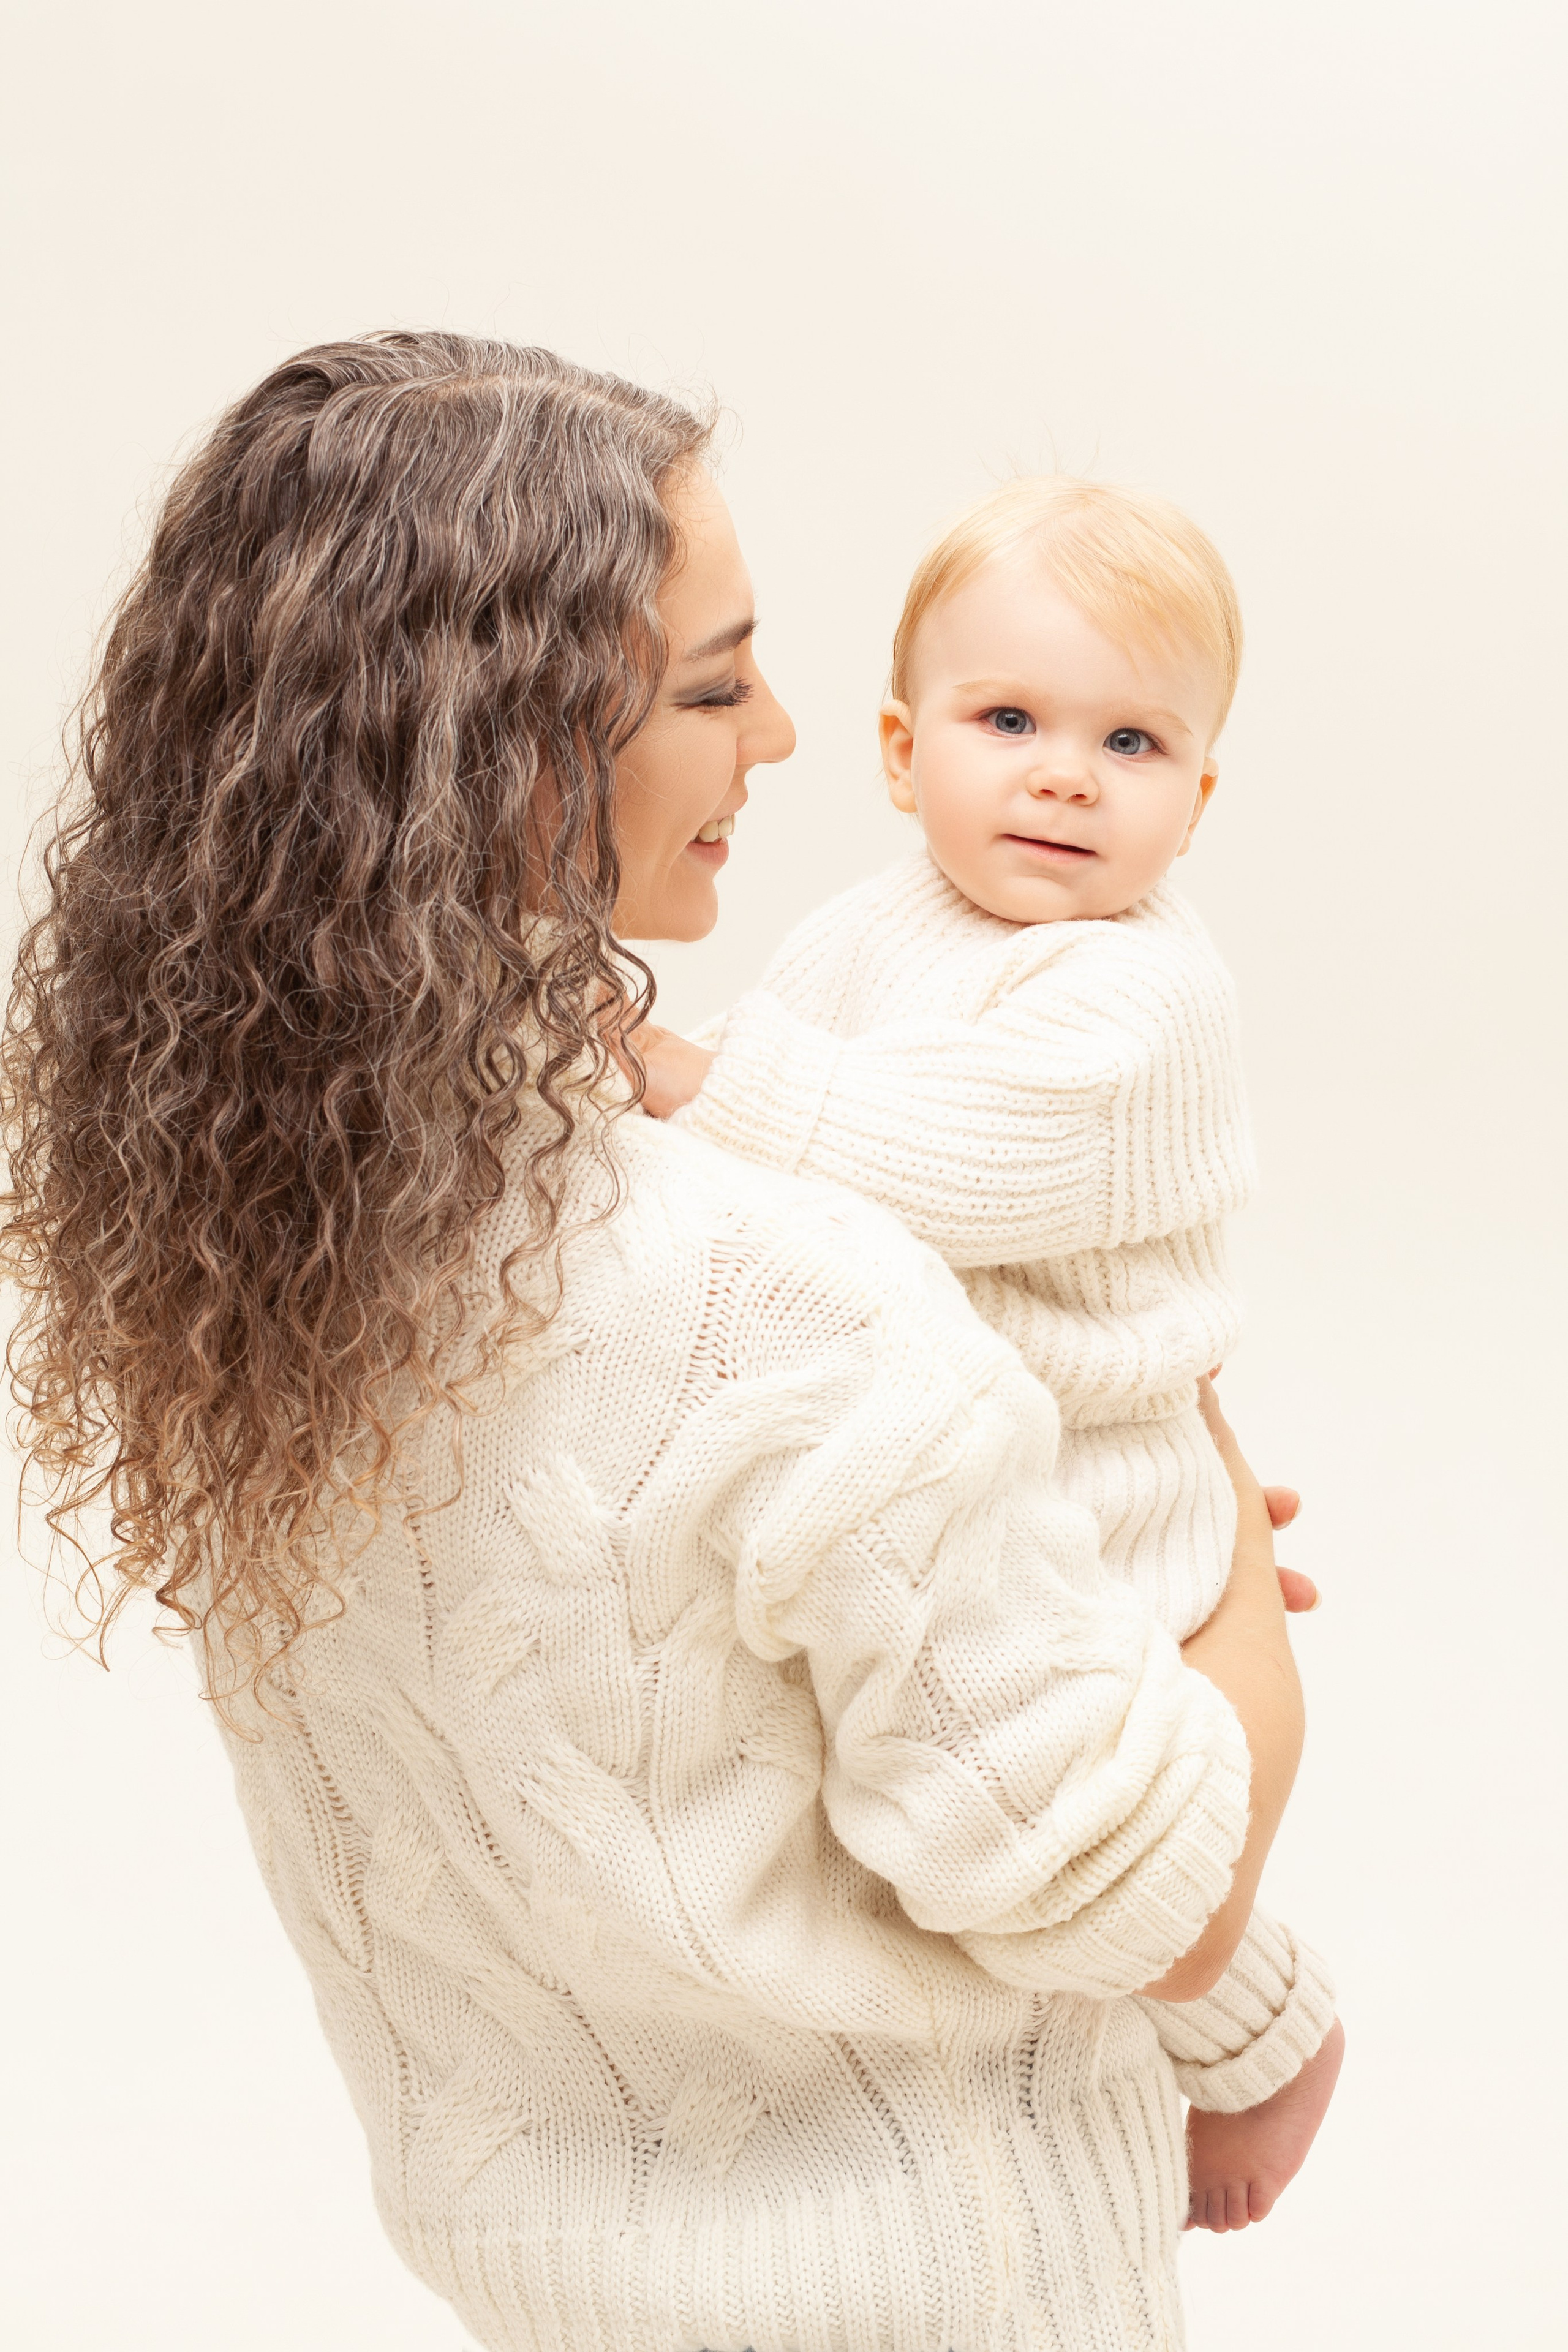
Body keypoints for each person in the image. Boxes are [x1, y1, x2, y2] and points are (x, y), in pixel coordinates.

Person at [1, 334, 1316, 2351]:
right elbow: (1154, 1886)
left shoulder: (258, 1253)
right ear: (516, 752)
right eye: (717, 682)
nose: (787, 735)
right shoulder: (780, 1297)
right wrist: (1228, 1584)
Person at [638, 477, 1346, 2231]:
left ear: (1196, 799)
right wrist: (684, 1090)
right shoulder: (872, 927)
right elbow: (771, 1117)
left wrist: (678, 1078)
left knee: (1038, 1830)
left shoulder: (1141, 997)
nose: (1064, 774)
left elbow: (938, 1156)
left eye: (1132, 741)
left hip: (1095, 1482)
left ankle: (1268, 2024)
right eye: (1009, 720)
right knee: (920, 1826)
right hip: (953, 1444)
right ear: (900, 750)